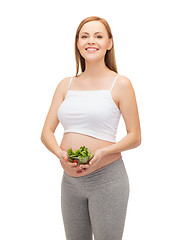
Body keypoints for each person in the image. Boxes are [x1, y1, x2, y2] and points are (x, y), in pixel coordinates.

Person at [41, 16, 141, 240]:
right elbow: (46, 132)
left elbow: (135, 136)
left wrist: (104, 152)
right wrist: (60, 153)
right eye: (84, 36)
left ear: (109, 43)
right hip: (70, 183)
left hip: (107, 181)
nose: (90, 41)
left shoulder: (120, 84)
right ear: (77, 43)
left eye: (98, 36)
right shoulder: (65, 85)